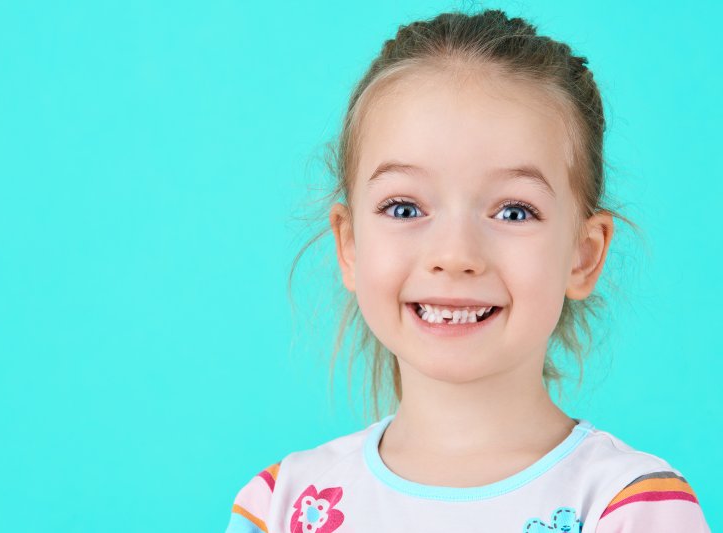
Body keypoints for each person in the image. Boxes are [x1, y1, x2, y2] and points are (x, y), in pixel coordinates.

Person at [224, 8, 711, 533]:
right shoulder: (280, 505)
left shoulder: (630, 507)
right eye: (405, 208)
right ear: (349, 245)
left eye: (513, 211)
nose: (455, 254)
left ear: (584, 254)